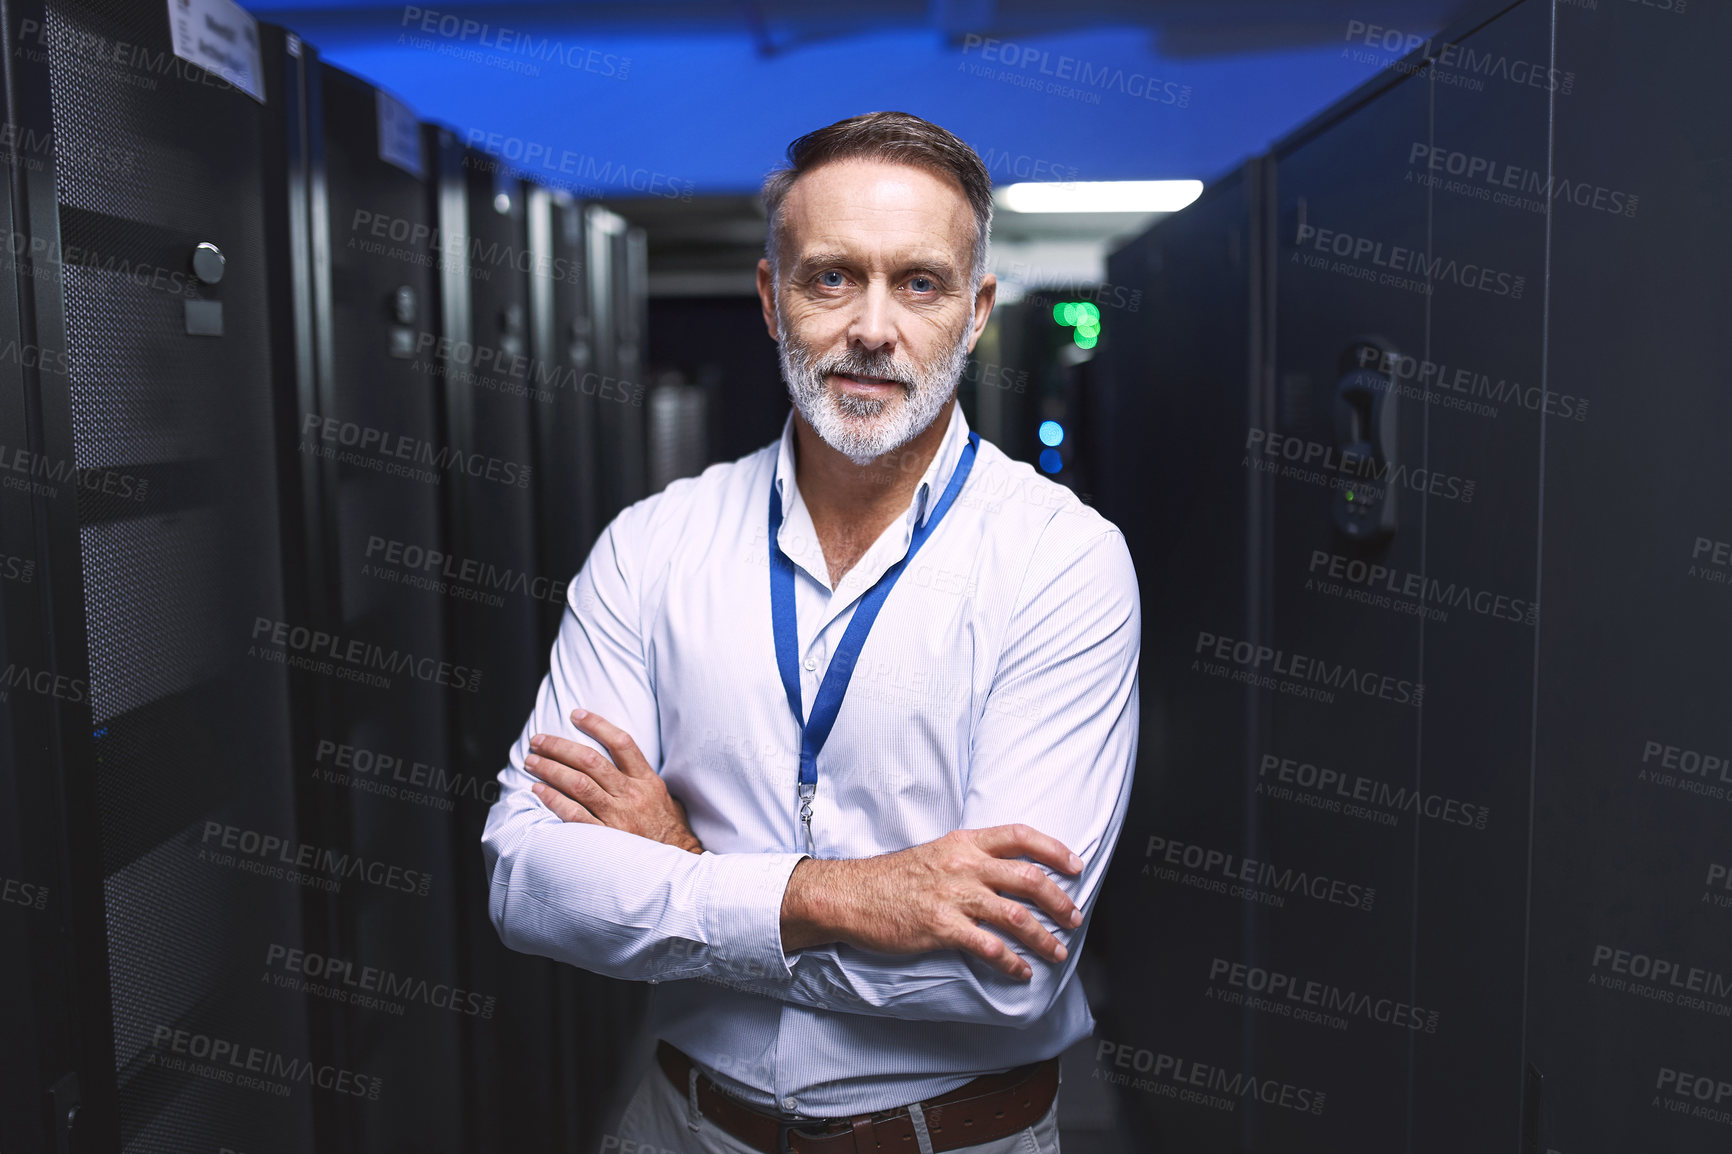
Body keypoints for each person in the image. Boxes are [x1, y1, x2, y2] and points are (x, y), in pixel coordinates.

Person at [480, 110, 1140, 1154]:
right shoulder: (651, 545)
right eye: (831, 277)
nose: (872, 327)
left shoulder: (1062, 562)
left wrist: (686, 873)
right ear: (769, 298)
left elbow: (1006, 973)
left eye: (918, 283)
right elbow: (528, 882)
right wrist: (841, 895)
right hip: (677, 1129)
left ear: (974, 314)